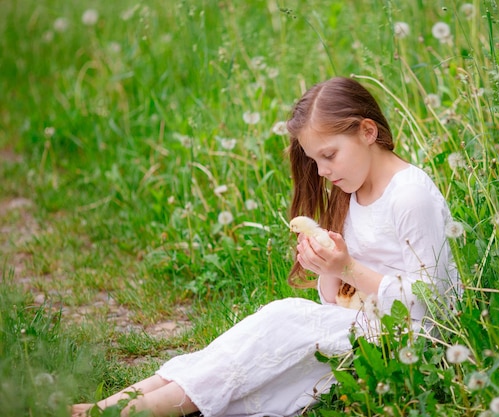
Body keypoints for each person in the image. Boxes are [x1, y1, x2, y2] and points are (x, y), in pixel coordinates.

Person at [71, 76, 459, 417]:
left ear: (367, 132)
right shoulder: (354, 189)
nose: (323, 172)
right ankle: (124, 400)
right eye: (315, 160)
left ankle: (138, 411)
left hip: (409, 341)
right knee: (270, 323)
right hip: (363, 323)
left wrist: (347, 268)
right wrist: (326, 268)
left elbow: (434, 301)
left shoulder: (409, 196)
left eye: (329, 155)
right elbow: (335, 300)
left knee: (279, 337)